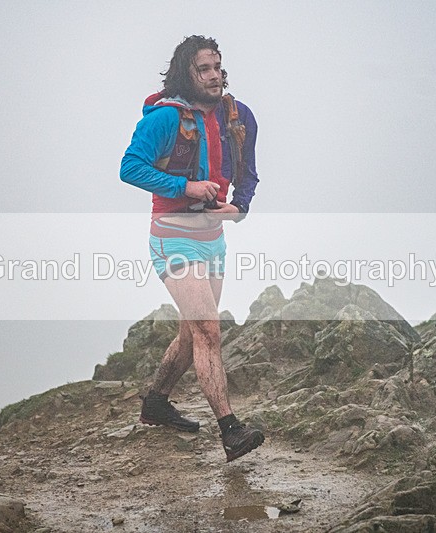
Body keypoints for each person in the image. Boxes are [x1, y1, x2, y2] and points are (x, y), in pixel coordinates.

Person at [120, 35, 262, 462]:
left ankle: (156, 403)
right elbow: (130, 167)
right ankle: (231, 431)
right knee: (207, 330)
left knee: (191, 331)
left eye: (218, 66)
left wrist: (240, 207)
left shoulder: (239, 116)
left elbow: (250, 174)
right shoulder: (164, 120)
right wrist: (185, 186)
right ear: (187, 73)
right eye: (204, 68)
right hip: (172, 235)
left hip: (212, 240)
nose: (215, 74)